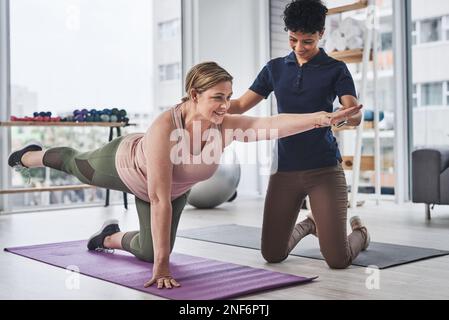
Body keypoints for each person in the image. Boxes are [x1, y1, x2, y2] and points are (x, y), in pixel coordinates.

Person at [8, 61, 361, 289]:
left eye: (228, 97)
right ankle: (32, 156)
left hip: (170, 190)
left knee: (147, 251)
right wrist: (163, 268)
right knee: (76, 164)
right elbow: (158, 198)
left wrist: (321, 118)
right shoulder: (166, 126)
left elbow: (268, 124)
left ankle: (108, 238)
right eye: (217, 97)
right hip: (124, 165)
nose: (226, 105)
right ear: (194, 95)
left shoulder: (223, 126)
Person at [228, 0, 370, 269]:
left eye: (307, 41)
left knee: (337, 260)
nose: (299, 48)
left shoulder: (336, 69)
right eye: (293, 39)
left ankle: (361, 234)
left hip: (324, 169)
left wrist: (344, 117)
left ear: (321, 34)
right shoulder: (275, 68)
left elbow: (354, 112)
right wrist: (203, 101)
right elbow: (239, 105)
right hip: (284, 171)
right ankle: (311, 224)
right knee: (272, 254)